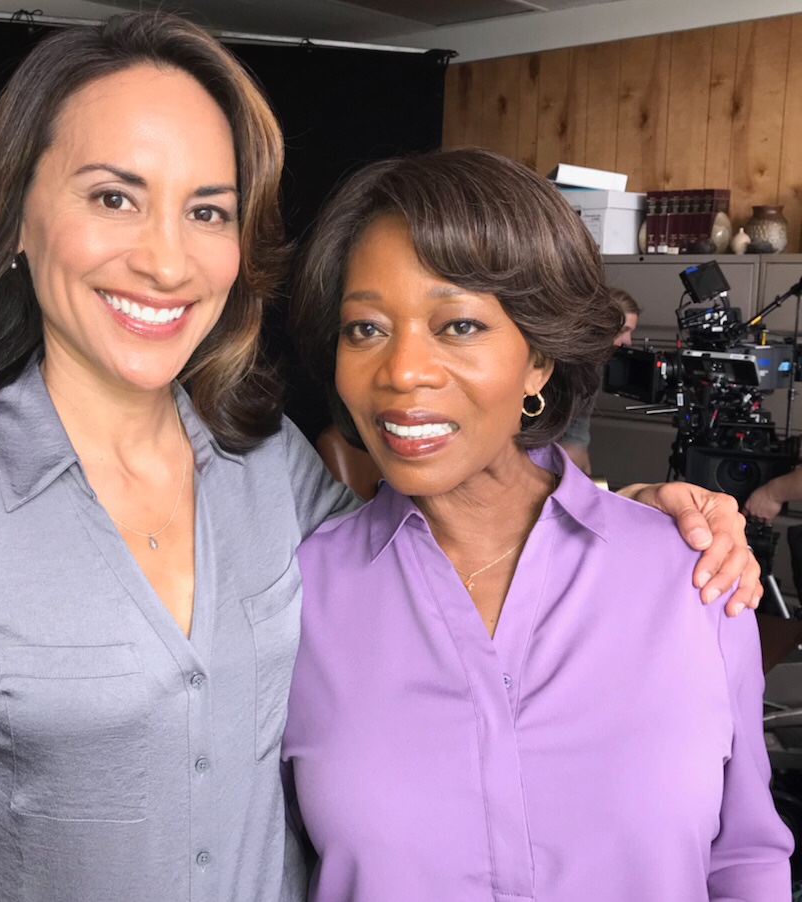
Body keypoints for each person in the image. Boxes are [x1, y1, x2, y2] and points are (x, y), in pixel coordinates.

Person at [0, 13, 763, 902]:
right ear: (17, 218)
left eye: (206, 210)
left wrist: (638, 514)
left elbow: (454, 516)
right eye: (113, 196)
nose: (166, 262)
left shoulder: (270, 472)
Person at [283, 148, 792, 901]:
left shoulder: (690, 574)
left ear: (539, 361)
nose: (401, 371)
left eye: (457, 324)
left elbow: (744, 858)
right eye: (364, 329)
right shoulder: (298, 598)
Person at [560, 286, 638, 473]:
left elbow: (578, 435)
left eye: (631, 332)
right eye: (623, 330)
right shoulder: (562, 364)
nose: (628, 341)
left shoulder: (593, 369)